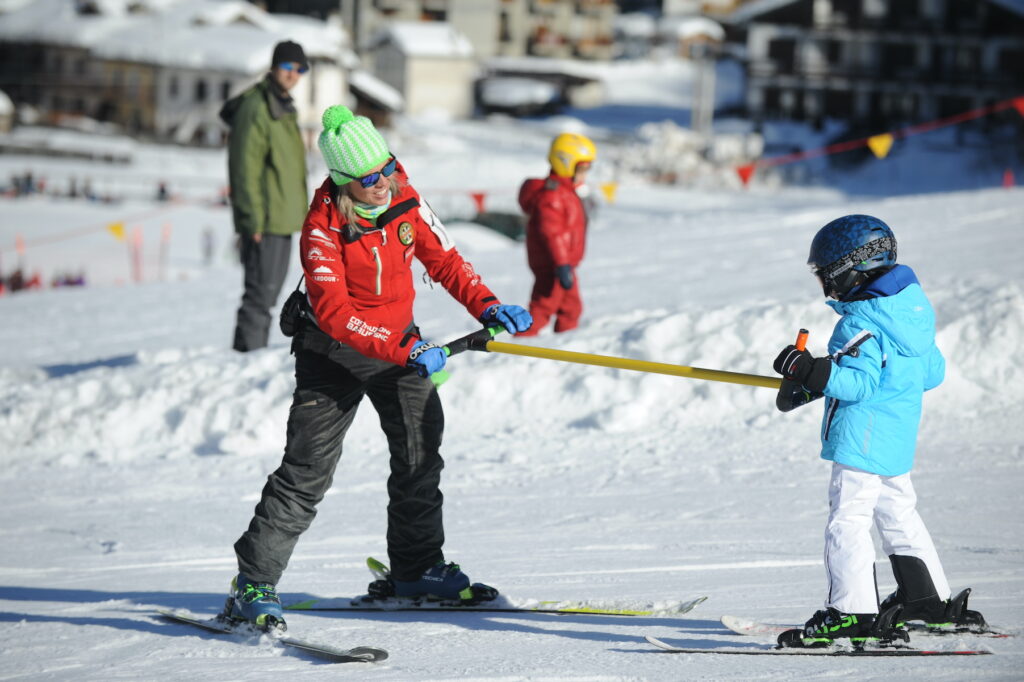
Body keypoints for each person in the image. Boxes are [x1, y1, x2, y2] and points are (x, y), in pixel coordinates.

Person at [226, 105, 533, 630]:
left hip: (400, 348)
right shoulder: (321, 228)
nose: (383, 182)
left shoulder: (404, 194)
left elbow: (445, 258)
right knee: (306, 472)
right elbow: (336, 314)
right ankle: (253, 581)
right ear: (344, 181)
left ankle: (416, 570)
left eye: (387, 167)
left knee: (419, 454)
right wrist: (405, 350)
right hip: (333, 355)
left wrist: (486, 305)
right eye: (369, 178)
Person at [771, 214, 986, 648]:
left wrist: (810, 370)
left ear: (849, 271)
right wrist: (818, 379)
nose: (825, 287)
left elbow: (861, 383)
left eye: (825, 276)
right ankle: (928, 601)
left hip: (860, 439)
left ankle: (853, 612)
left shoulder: (858, 322)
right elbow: (930, 373)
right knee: (898, 513)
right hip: (895, 438)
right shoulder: (910, 313)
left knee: (847, 519)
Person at [221, 40, 310, 352]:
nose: (292, 74)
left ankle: (250, 352)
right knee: (260, 295)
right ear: (274, 68)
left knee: (269, 295)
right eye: (287, 67)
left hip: (281, 217)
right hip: (265, 220)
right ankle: (246, 357)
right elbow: (244, 168)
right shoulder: (257, 108)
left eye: (299, 69)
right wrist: (251, 220)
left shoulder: (282, 106)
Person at [515, 132, 596, 337]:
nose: (586, 174)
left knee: (571, 309)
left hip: (564, 265)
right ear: (566, 165)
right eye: (583, 168)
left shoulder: (567, 191)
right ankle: (521, 343)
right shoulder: (553, 196)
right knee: (541, 309)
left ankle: (566, 344)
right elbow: (552, 233)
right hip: (553, 266)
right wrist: (561, 264)